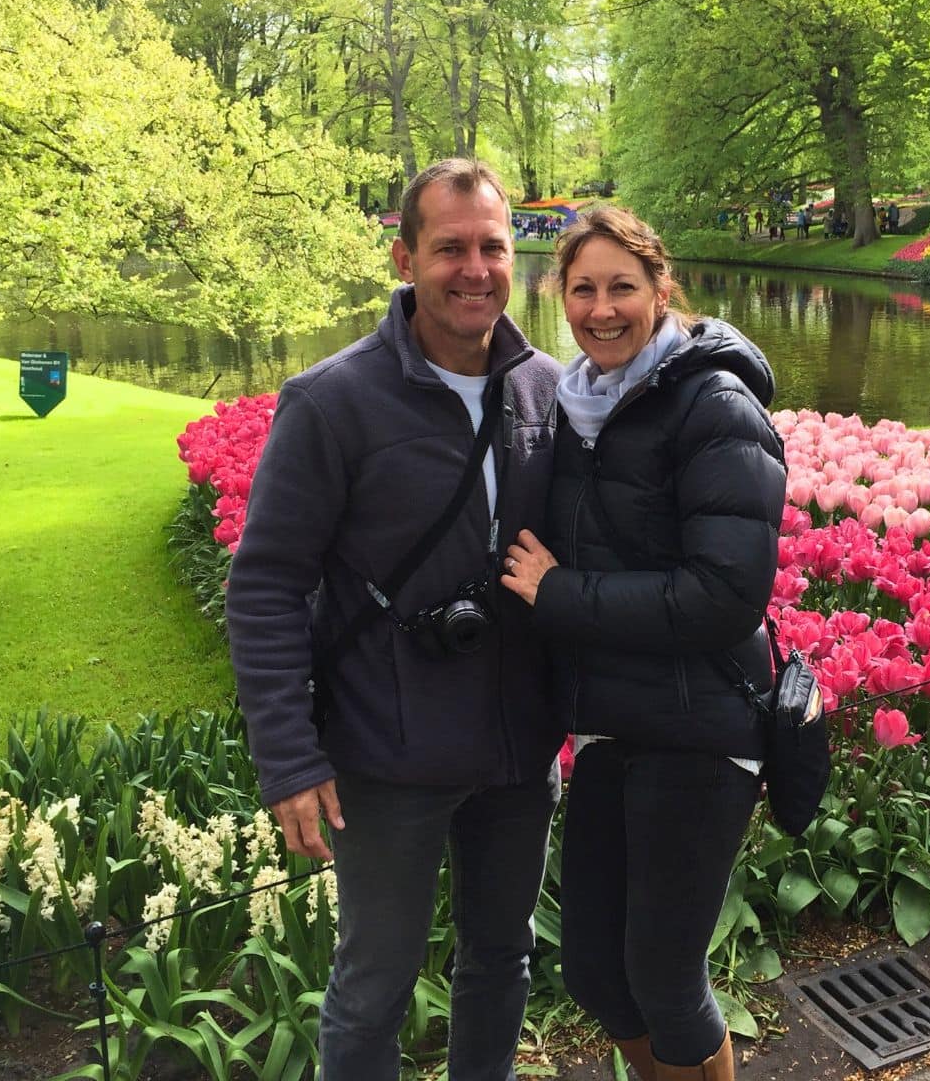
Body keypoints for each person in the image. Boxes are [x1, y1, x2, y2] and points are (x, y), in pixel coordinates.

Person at [225, 159, 564, 1081]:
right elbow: (265, 586)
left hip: (516, 750)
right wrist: (289, 759)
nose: (474, 268)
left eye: (491, 247)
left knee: (502, 960)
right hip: (386, 753)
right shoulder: (333, 401)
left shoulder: (545, 390)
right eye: (448, 247)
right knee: (373, 982)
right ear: (405, 257)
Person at [499, 206, 786, 1081]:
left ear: (662, 291)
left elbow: (726, 596)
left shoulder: (713, 403)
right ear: (559, 296)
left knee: (663, 974)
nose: (602, 307)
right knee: (593, 970)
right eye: (581, 288)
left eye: (623, 286)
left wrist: (561, 595)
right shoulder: (577, 403)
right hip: (614, 723)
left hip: (701, 724)